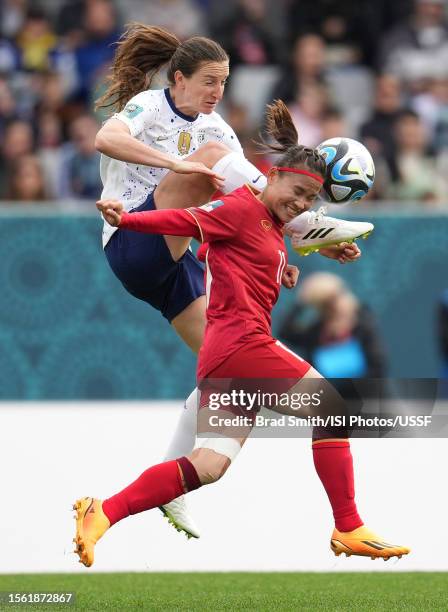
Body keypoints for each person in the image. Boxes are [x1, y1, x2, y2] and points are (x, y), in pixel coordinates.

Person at [74, 100, 409, 568]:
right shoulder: (239, 208)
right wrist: (125, 220)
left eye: (309, 202)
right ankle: (349, 525)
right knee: (331, 407)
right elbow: (185, 221)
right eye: (295, 192)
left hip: (225, 357)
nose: (300, 204)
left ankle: (102, 511)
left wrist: (284, 270)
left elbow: (238, 258)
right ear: (271, 177)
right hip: (242, 346)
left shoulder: (269, 227)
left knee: (207, 467)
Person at [93, 23, 374, 538]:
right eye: (208, 82)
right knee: (208, 163)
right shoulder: (150, 107)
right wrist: (172, 162)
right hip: (134, 240)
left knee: (224, 368)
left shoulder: (216, 126)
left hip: (174, 265)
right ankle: (314, 225)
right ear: (177, 79)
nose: (217, 93)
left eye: (223, 82)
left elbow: (254, 204)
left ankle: (175, 485)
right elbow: (105, 137)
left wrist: (285, 251)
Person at [279, 272, 387, 379]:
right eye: (327, 303)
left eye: (336, 298)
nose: (334, 306)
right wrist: (301, 302)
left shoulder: (363, 325)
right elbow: (285, 333)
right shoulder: (316, 333)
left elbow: (378, 366)